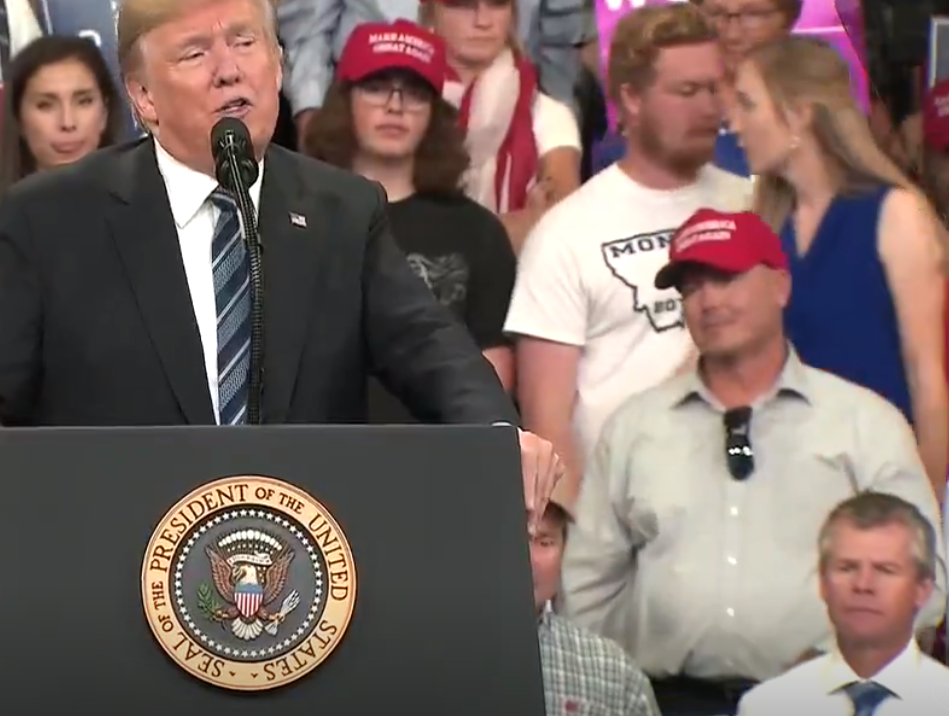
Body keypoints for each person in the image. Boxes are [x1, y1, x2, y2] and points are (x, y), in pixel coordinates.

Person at [0, 0, 563, 530]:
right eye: (195, 53)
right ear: (143, 96)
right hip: (109, 564)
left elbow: (430, 346)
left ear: (279, 64)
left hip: (302, 578)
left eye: (245, 42)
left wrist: (495, 435)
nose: (229, 71)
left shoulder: (341, 212)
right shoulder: (48, 222)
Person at [560, 208, 947, 716]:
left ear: (781, 286)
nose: (709, 300)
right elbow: (587, 588)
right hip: (668, 702)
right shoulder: (635, 428)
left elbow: (930, 581)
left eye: (726, 277)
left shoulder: (865, 424)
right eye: (693, 286)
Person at [504, 3, 750, 506]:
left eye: (715, 87)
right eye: (687, 92)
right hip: (623, 518)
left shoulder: (754, 207)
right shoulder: (567, 234)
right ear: (631, 99)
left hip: (747, 506)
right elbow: (549, 430)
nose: (709, 108)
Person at [731, 36, 949, 501]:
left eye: (748, 105)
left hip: (876, 482)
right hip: (783, 484)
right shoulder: (764, 224)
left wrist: (923, 506)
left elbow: (928, 379)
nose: (734, 124)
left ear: (798, 112)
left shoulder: (895, 214)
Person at [304, 20, 517, 411]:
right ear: (344, 99)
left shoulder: (478, 231)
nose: (395, 106)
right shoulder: (299, 218)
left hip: (438, 456)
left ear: (435, 113)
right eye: (376, 87)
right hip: (320, 451)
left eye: (415, 93)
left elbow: (493, 373)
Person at [737, 492, 949, 715]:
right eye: (847, 568)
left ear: (922, 590)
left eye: (885, 570)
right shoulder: (768, 706)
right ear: (823, 583)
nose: (863, 584)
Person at [276, 0, 594, 148]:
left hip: (513, 105)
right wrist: (311, 119)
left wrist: (555, 117)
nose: (481, 16)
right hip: (363, 109)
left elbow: (562, 27)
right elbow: (308, 28)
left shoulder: (547, 116)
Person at [419, 0, 582, 252]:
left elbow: (561, 224)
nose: (483, 21)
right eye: (462, 5)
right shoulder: (401, 108)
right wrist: (514, 227)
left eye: (497, 4)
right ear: (430, 9)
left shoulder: (549, 114)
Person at [531, 482, 661, 716]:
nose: (528, 558)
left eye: (544, 541)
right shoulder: (446, 658)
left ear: (564, 549)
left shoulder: (612, 674)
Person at [0, 35, 123, 193]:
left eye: (84, 102)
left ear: (104, 113)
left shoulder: (146, 197)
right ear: (19, 118)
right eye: (45, 105)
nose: (67, 122)